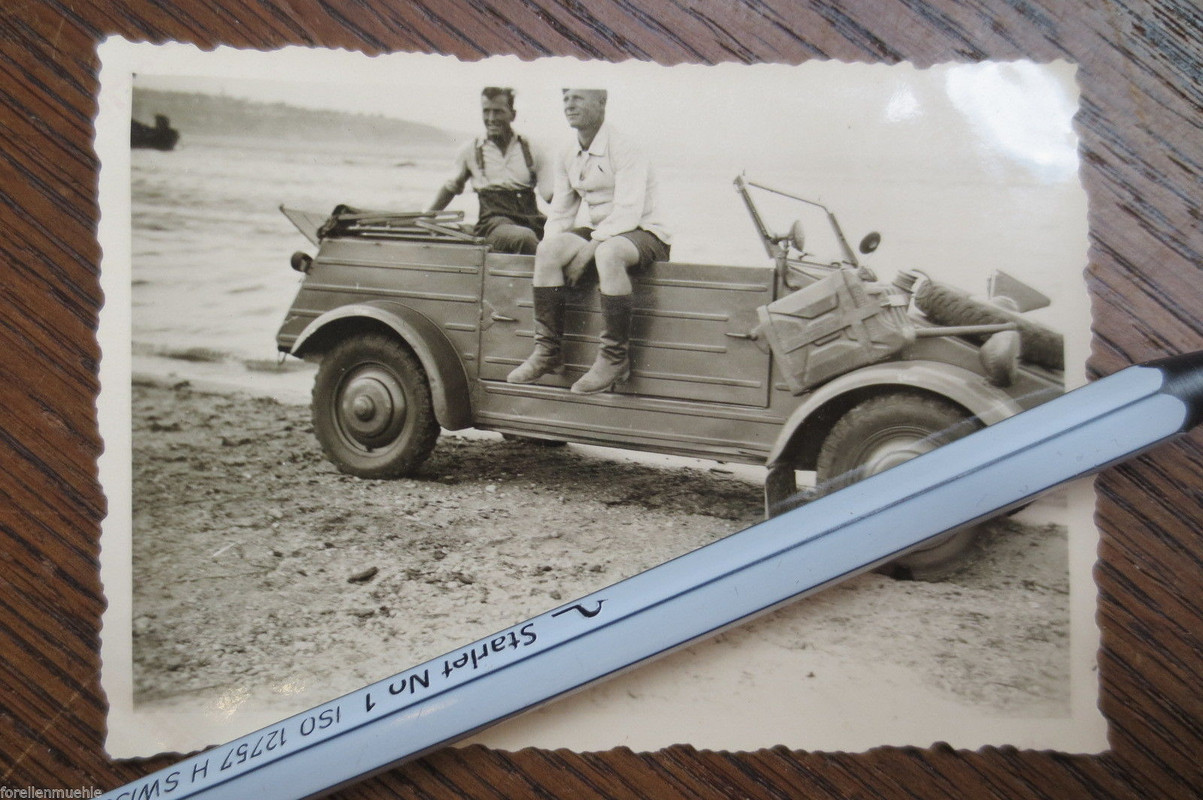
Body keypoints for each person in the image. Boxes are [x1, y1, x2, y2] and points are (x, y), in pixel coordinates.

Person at [506, 88, 671, 394]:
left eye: (578, 98)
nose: (570, 104)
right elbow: (560, 214)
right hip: (605, 233)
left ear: (602, 102)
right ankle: (548, 351)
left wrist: (588, 251)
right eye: (566, 98)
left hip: (645, 232)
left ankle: (614, 358)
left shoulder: (625, 148)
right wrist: (554, 255)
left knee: (608, 254)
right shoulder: (567, 152)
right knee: (548, 249)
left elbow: (628, 214)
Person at [429, 87, 550, 254]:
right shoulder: (470, 150)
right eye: (486, 111)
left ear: (512, 114)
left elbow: (551, 195)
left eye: (498, 112)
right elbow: (451, 187)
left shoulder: (531, 149)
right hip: (494, 225)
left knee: (573, 236)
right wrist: (425, 218)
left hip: (532, 219)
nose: (491, 118)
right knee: (524, 238)